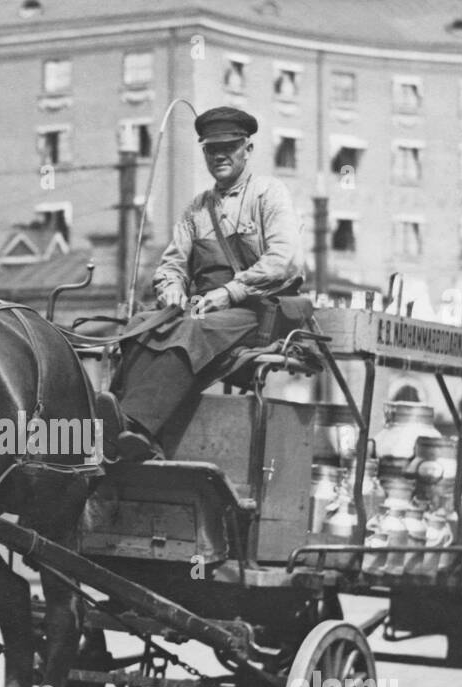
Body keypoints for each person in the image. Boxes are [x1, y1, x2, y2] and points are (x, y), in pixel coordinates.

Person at [98, 106, 306, 461]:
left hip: (256, 311)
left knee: (195, 332)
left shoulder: (269, 194)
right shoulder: (196, 209)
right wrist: (173, 292)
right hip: (202, 308)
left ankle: (139, 427)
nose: (220, 155)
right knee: (138, 327)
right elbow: (170, 266)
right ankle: (113, 420)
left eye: (230, 146)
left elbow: (284, 260)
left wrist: (229, 292)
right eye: (212, 148)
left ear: (248, 149)